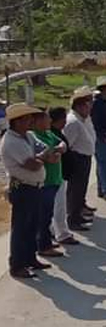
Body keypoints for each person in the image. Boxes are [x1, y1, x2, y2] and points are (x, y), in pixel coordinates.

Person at [3, 104, 53, 278]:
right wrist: (43, 157)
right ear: (17, 122)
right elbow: (31, 165)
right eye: (26, 118)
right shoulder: (10, 141)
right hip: (23, 187)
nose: (31, 121)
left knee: (32, 225)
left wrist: (41, 157)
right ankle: (17, 265)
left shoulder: (28, 136)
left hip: (35, 186)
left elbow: (44, 149)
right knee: (21, 228)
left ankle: (30, 258)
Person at [32, 109, 69, 259]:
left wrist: (60, 148)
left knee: (48, 214)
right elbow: (45, 154)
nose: (50, 121)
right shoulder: (34, 136)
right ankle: (43, 246)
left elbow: (62, 144)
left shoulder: (48, 134)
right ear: (38, 121)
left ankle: (45, 240)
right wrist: (53, 152)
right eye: (47, 118)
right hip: (45, 181)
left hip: (55, 179)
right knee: (44, 215)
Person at [62, 88, 97, 233]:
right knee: (74, 191)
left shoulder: (84, 119)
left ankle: (78, 214)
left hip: (85, 157)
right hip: (77, 158)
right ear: (79, 106)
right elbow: (67, 144)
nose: (90, 109)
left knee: (81, 189)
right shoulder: (73, 122)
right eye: (87, 106)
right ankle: (73, 219)